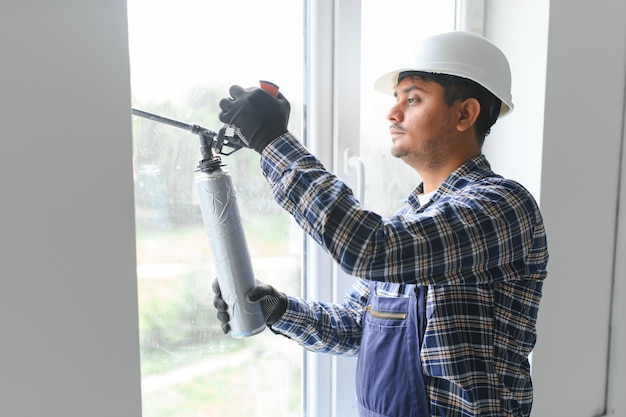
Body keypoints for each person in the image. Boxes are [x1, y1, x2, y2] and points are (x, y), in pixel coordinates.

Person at [212, 31, 548, 417]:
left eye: (414, 98)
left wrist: (273, 141)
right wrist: (276, 308)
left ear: (464, 114)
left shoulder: (500, 207)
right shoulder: (412, 221)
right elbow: (355, 327)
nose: (393, 112)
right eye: (396, 99)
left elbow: (366, 247)